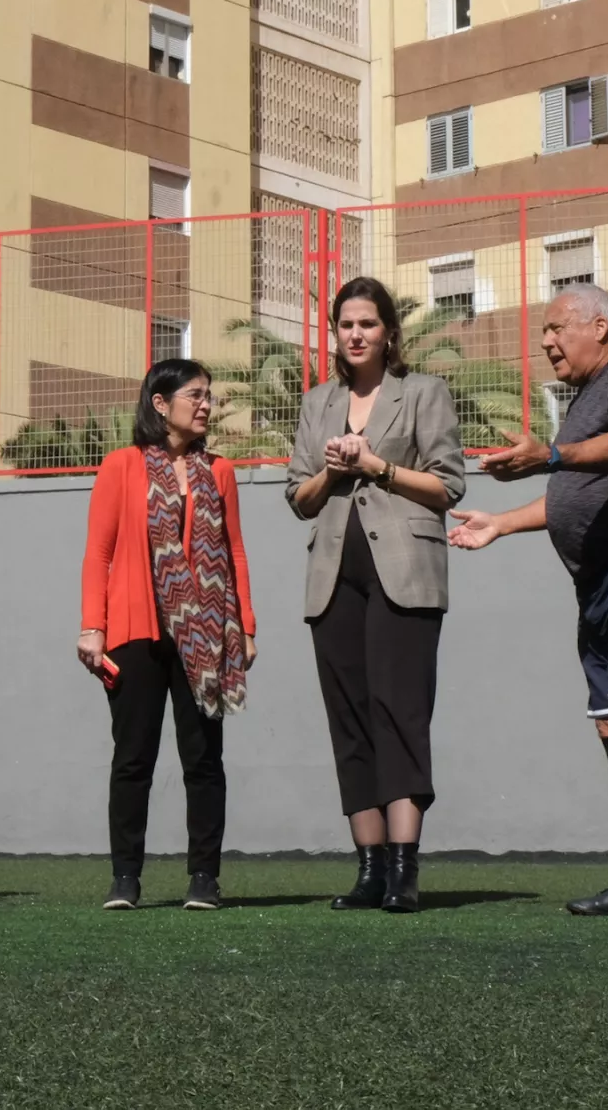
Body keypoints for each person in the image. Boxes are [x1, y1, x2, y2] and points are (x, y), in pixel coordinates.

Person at [447, 283, 608, 916]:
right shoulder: (584, 399)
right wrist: (501, 523)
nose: (546, 341)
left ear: (601, 327)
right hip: (596, 580)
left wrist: (551, 454)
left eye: (558, 327)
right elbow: (571, 499)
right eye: (545, 331)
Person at [286, 276, 466, 914]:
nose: (355, 334)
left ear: (390, 332)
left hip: (407, 572)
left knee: (400, 713)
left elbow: (448, 487)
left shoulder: (423, 393)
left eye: (367, 323)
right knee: (351, 718)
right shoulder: (317, 404)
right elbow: (298, 498)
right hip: (334, 578)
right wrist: (332, 472)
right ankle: (367, 871)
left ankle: (403, 869)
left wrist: (376, 467)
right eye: (345, 325)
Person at [77, 359, 257, 911]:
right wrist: (92, 625)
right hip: (135, 631)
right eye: (195, 396)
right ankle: (125, 878)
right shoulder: (122, 466)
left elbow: (234, 551)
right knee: (133, 759)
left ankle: (205, 877)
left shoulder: (219, 471)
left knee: (203, 760)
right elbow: (99, 552)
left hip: (205, 632)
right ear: (161, 403)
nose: (206, 405)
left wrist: (244, 627)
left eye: (209, 396)